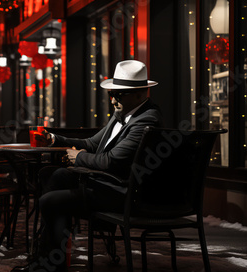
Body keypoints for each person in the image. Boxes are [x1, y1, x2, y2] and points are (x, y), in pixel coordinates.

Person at [12, 60, 164, 272]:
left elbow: (111, 161)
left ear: (140, 93)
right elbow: (92, 144)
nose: (112, 99)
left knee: (50, 201)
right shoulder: (123, 113)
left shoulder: (145, 120)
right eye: (111, 93)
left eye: (118, 94)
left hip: (124, 193)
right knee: (53, 175)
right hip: (111, 185)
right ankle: (49, 260)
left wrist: (78, 157)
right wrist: (55, 139)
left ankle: (48, 263)